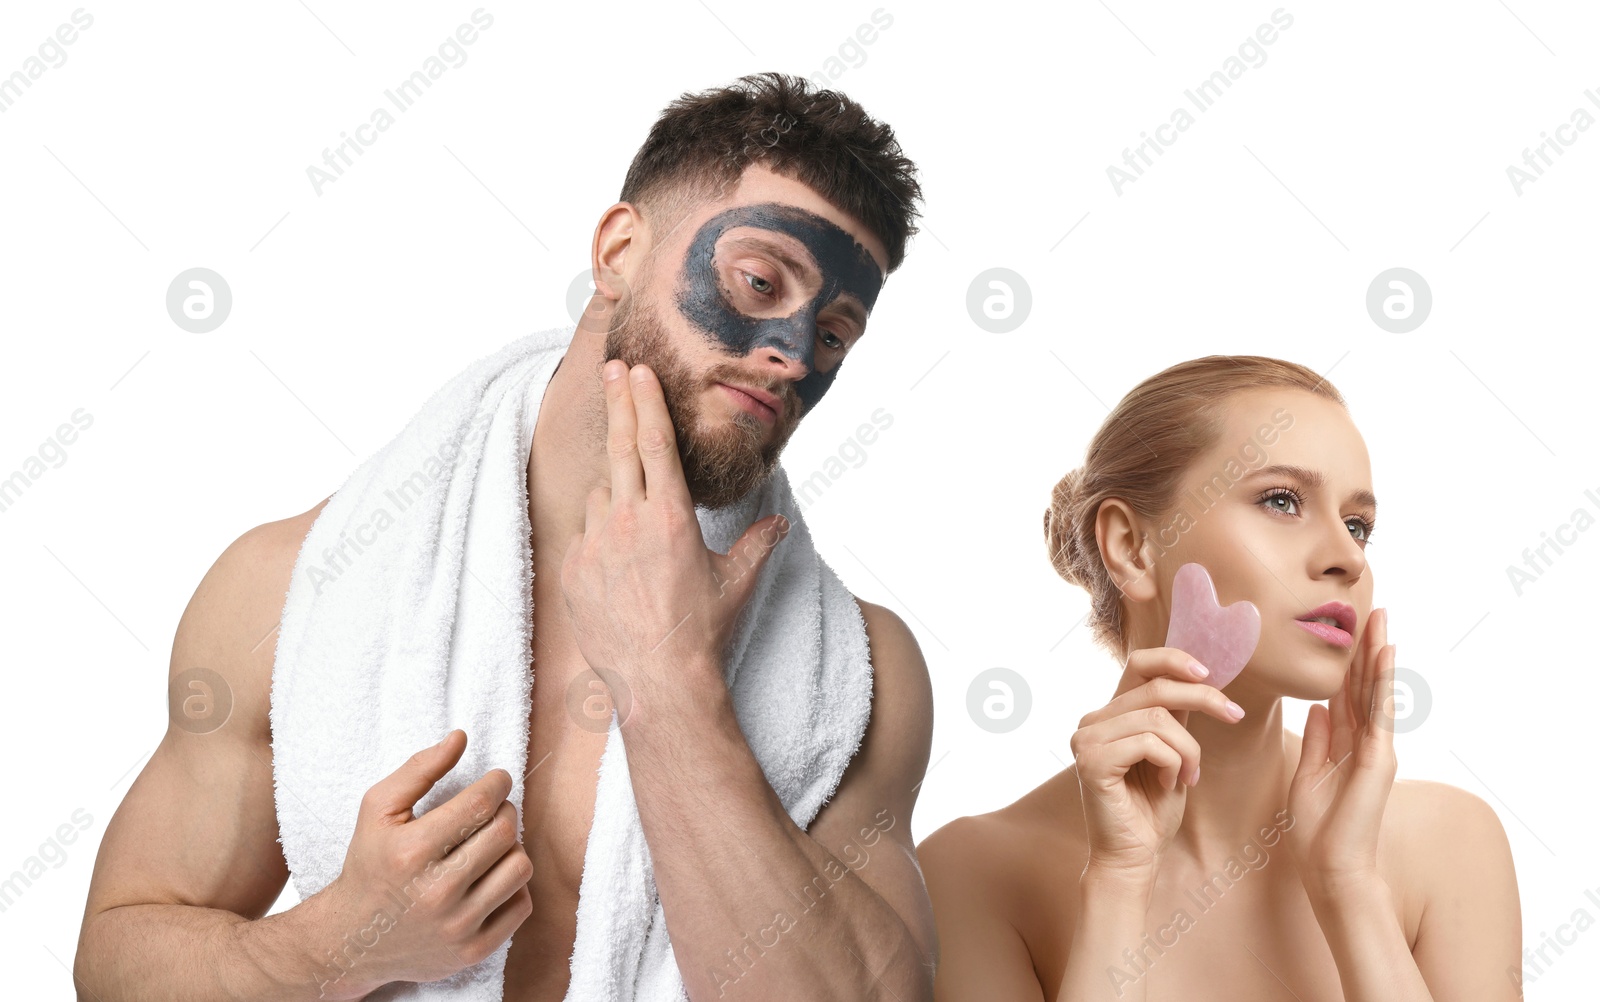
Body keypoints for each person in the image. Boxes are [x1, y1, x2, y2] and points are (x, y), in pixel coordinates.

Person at [73, 72, 937, 1001]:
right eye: (761, 281)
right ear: (617, 251)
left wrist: (670, 684)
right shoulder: (287, 589)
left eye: (838, 334)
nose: (796, 353)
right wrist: (332, 948)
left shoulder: (862, 678)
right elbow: (116, 962)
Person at [917, 356, 1521, 1001]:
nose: (1347, 557)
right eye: (1282, 501)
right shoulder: (969, 873)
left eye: (1358, 525)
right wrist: (1120, 880)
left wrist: (1351, 885)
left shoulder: (1450, 841)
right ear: (1131, 546)